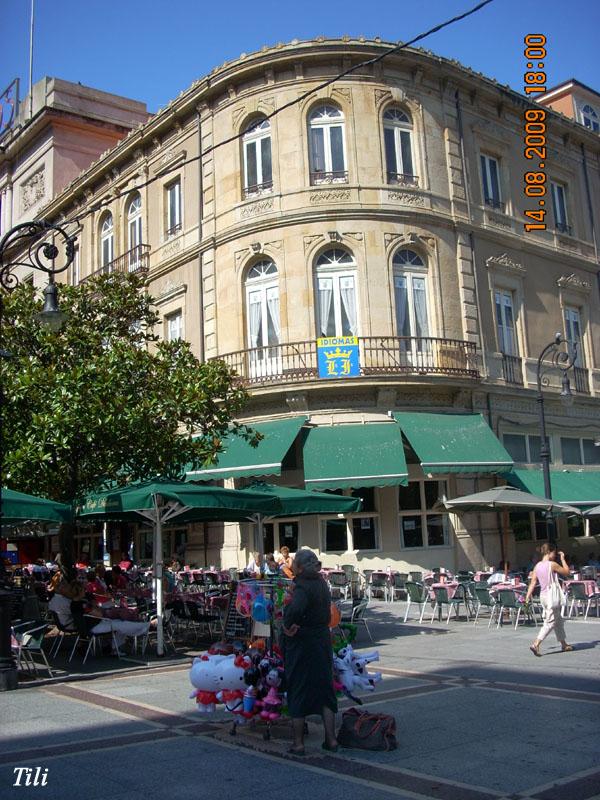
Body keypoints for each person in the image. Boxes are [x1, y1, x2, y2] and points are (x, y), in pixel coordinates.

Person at [282, 548, 338, 755]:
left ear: (301, 566)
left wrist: (288, 623)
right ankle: (331, 739)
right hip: (321, 639)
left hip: (304, 642)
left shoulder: (302, 586)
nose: (293, 566)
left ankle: (298, 743)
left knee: (298, 687)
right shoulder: (322, 583)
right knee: (325, 689)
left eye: (295, 563)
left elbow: (295, 611)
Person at [525, 543, 573, 657]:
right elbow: (567, 572)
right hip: (552, 596)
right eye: (555, 553)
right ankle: (536, 644)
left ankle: (564, 644)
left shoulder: (537, 566)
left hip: (543, 596)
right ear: (550, 552)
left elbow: (533, 583)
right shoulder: (552, 564)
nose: (555, 555)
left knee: (557, 620)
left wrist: (527, 596)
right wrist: (563, 559)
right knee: (550, 621)